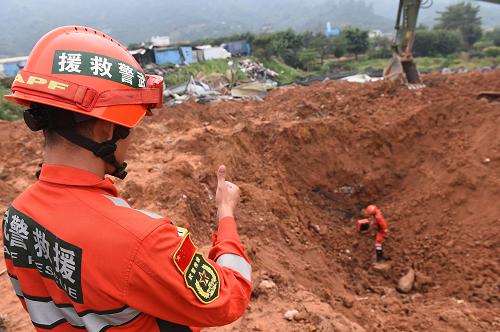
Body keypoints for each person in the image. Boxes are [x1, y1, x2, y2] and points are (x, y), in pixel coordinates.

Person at [1, 26, 251, 332]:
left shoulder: (16, 217)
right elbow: (228, 299)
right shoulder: (142, 240)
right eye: (129, 125)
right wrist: (226, 215)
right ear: (107, 130)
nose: (130, 138)